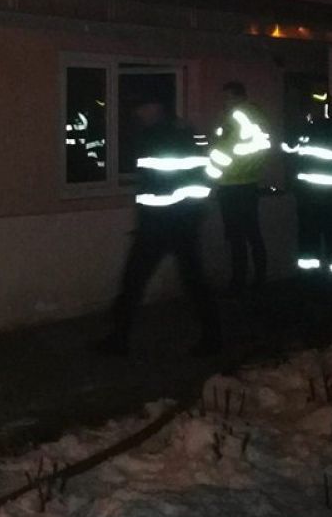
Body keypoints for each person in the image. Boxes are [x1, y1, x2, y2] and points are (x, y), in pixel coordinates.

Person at [95, 97, 223, 357]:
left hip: (161, 223)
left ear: (156, 107)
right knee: (192, 281)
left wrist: (147, 221)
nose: (139, 112)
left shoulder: (154, 136)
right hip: (183, 220)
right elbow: (202, 174)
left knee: (134, 281)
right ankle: (212, 337)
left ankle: (119, 339)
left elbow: (155, 184)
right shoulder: (187, 133)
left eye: (142, 107)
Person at [281, 89, 332, 277]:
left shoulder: (308, 132)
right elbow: (288, 150)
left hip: (318, 199)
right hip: (326, 199)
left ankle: (315, 281)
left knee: (315, 240)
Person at [207, 81, 272, 295]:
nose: (223, 102)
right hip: (249, 184)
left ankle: (238, 283)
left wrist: (212, 172)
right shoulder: (257, 116)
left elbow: (226, 151)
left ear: (237, 97)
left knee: (236, 237)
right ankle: (259, 279)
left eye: (226, 97)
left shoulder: (236, 117)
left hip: (232, 185)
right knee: (253, 233)